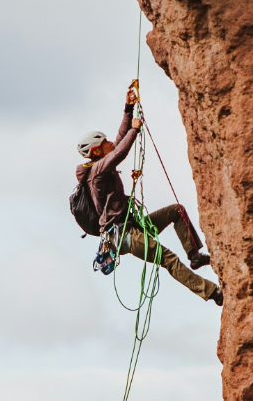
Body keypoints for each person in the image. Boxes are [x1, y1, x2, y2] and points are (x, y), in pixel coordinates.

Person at [75, 86, 223, 306]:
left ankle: (195, 256)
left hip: (130, 226)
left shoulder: (100, 164)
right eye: (105, 143)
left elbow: (119, 140)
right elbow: (120, 151)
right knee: (168, 259)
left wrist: (128, 108)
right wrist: (135, 129)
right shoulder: (96, 172)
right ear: (96, 151)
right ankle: (212, 293)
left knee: (176, 211)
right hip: (124, 235)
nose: (110, 143)